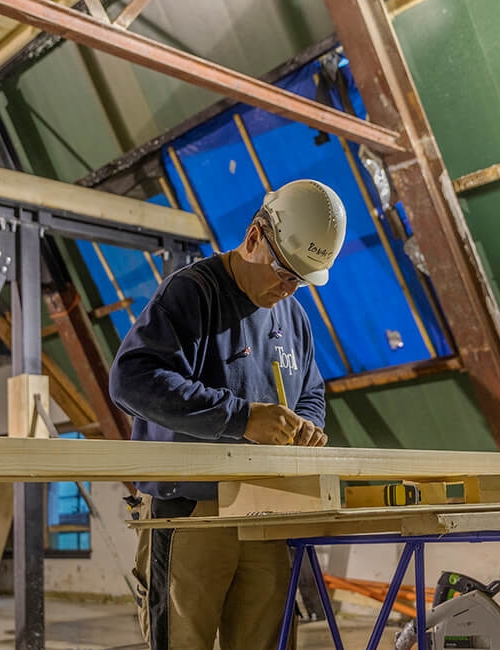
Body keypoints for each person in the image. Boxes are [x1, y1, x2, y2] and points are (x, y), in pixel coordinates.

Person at [110, 179, 347, 649]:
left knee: (267, 641)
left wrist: (307, 427)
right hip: (191, 510)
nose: (288, 288)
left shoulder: (293, 317)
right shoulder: (192, 294)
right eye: (283, 271)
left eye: (300, 280)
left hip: (268, 510)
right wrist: (241, 419)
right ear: (255, 236)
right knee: (183, 639)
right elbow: (131, 380)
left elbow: (312, 392)